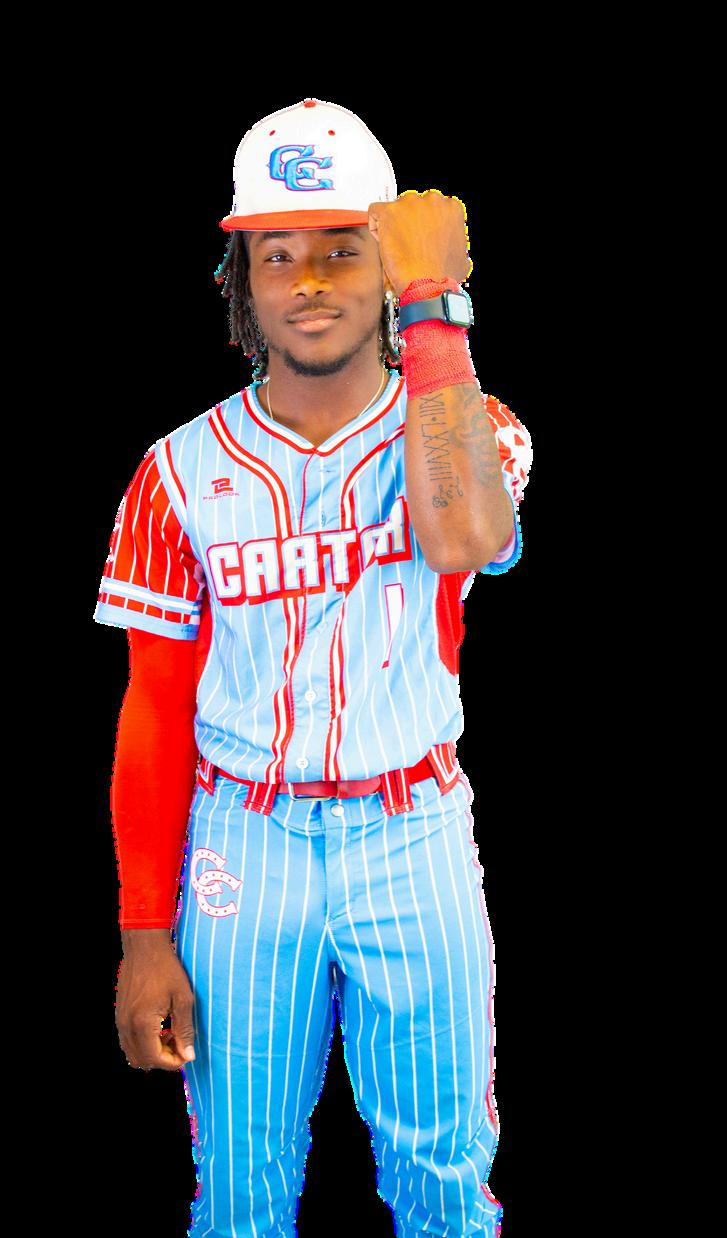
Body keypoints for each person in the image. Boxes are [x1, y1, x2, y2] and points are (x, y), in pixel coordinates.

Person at [94, 97, 533, 1238]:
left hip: (412, 830)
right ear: (243, 280)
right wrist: (144, 932)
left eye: (343, 250)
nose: (311, 282)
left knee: (444, 1183)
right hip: (243, 843)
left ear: (385, 266)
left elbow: (461, 536)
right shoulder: (174, 471)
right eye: (277, 255)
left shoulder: (470, 422)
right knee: (240, 1186)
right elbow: (155, 708)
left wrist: (436, 306)